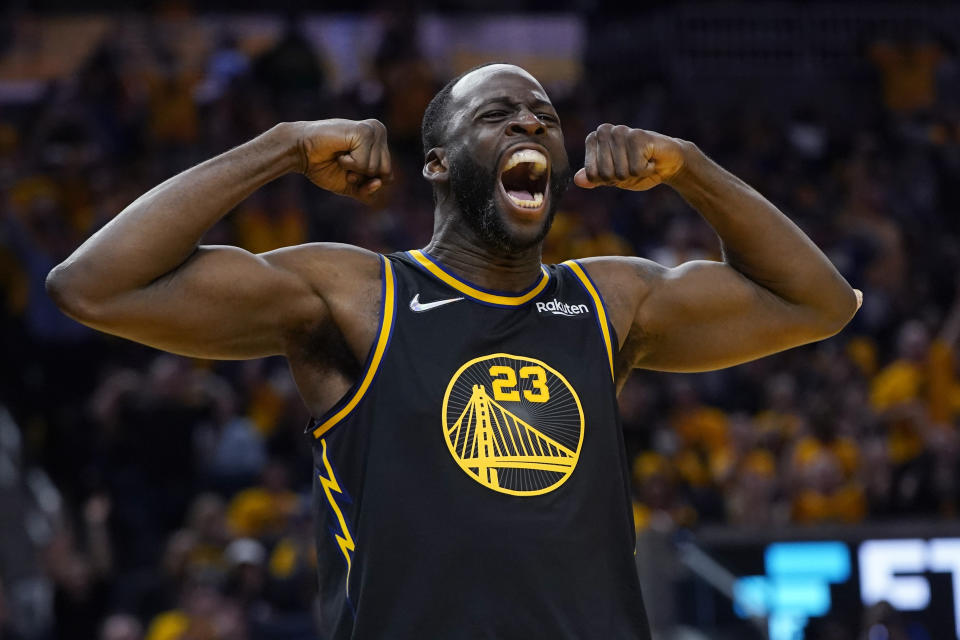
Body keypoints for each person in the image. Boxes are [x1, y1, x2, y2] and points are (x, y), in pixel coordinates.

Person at [46, 63, 860, 639]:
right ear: (437, 163)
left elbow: (820, 304)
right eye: (496, 115)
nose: (530, 124)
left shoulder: (608, 300)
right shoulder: (357, 295)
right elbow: (94, 286)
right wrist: (285, 145)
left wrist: (691, 169)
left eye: (542, 114)